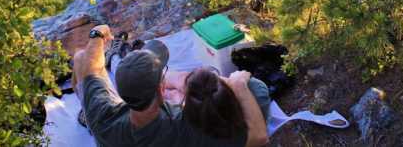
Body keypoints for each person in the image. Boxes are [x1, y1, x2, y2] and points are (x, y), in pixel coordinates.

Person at [72, 25, 269, 147]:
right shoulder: (184, 132)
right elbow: (259, 138)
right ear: (161, 89)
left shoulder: (103, 118)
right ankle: (117, 57)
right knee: (256, 90)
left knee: (81, 58)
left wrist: (96, 35)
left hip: (107, 134)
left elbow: (90, 68)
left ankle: (86, 114)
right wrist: (239, 86)